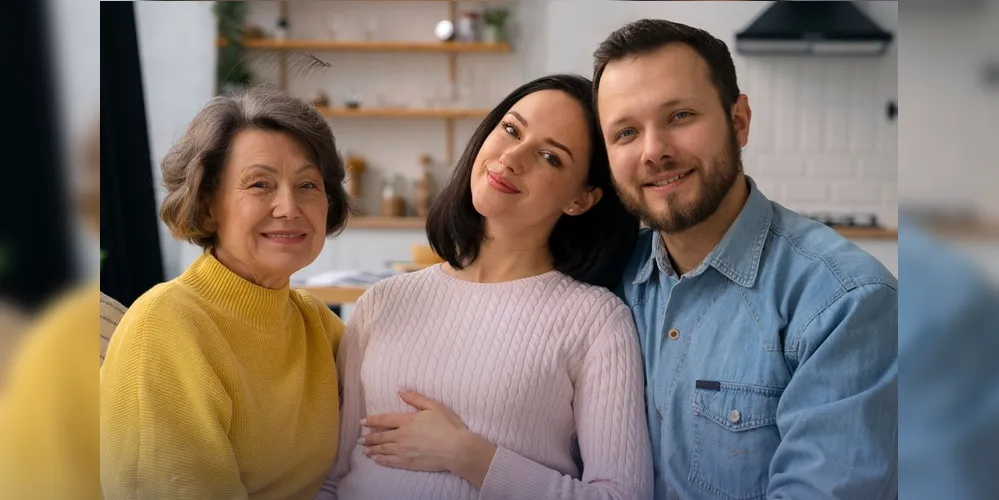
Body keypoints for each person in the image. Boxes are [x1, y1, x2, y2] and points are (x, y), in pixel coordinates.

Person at [592, 19, 898, 499]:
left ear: (739, 121)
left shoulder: (845, 302)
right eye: (626, 132)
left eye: (680, 116)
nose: (654, 152)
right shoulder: (605, 280)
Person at [317, 74, 652, 500]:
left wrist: (468, 454)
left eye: (550, 156)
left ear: (582, 198)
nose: (511, 158)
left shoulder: (596, 321)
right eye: (511, 129)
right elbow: (332, 477)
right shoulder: (382, 302)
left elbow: (622, 496)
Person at [100, 86, 353, 499]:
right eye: (259, 185)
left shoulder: (315, 323)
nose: (289, 206)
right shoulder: (164, 327)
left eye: (308, 184)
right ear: (206, 206)